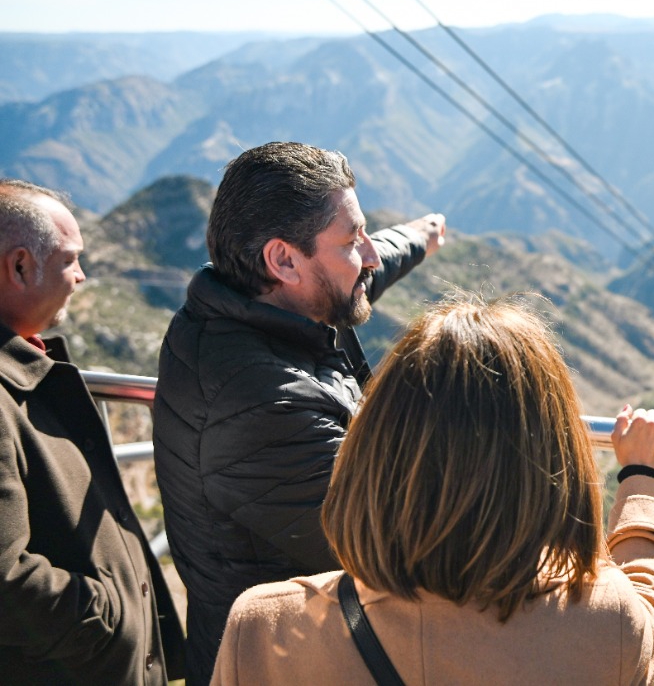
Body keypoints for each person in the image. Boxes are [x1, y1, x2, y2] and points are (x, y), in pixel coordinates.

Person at [207, 293, 654, 686]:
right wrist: (643, 477)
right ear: (552, 466)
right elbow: (653, 602)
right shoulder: (607, 626)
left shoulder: (264, 629)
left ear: (373, 453)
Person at [152, 141, 447, 685]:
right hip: (282, 666)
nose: (370, 256)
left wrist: (419, 237)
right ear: (283, 259)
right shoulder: (264, 401)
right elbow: (396, 545)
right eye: (352, 240)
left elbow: (358, 272)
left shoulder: (248, 306)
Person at [0, 179, 185, 684]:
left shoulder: (26, 366)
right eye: (70, 259)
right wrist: (109, 620)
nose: (81, 276)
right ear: (19, 267)